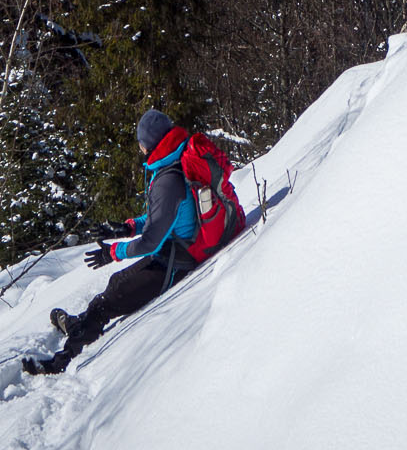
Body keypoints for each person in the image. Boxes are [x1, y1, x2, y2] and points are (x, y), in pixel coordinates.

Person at [23, 107, 244, 375]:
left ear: (149, 143)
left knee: (112, 296)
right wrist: (128, 227)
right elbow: (162, 216)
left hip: (178, 262)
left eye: (140, 142)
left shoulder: (168, 180)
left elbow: (151, 240)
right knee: (114, 290)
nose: (139, 147)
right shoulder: (176, 162)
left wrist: (114, 253)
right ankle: (78, 324)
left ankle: (62, 360)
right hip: (181, 250)